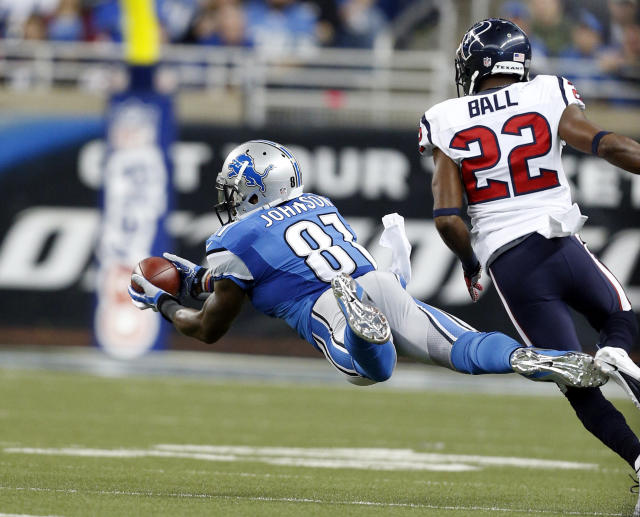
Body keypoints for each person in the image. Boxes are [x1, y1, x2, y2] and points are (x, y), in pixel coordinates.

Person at [128, 139, 614, 395]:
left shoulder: (233, 240)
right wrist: (200, 278)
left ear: (256, 190)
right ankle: (526, 358)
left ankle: (366, 334)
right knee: (462, 346)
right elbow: (263, 269)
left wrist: (166, 302)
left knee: (373, 372)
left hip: (329, 309)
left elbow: (210, 326)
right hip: (375, 282)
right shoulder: (316, 203)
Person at [418, 17, 640, 514]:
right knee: (620, 317)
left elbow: (447, 218)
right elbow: (607, 143)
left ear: (474, 65)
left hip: (511, 263)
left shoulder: (445, 116)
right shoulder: (547, 91)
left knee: (573, 381)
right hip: (561, 242)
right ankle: (618, 352)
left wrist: (470, 262)